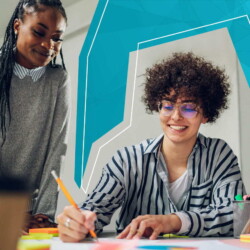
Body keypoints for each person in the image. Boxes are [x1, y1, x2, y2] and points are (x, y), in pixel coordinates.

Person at [57, 52, 244, 241]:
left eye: (188, 107)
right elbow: (95, 207)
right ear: (157, 108)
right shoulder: (126, 160)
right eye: (168, 106)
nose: (176, 116)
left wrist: (173, 221)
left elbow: (236, 216)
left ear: (206, 115)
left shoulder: (219, 155)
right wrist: (77, 222)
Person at [0, 0, 70, 229]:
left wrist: (45, 215)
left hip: (31, 214)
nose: (48, 44)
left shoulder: (58, 79)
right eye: (39, 32)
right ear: (17, 26)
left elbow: (57, 148)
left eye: (57, 38)